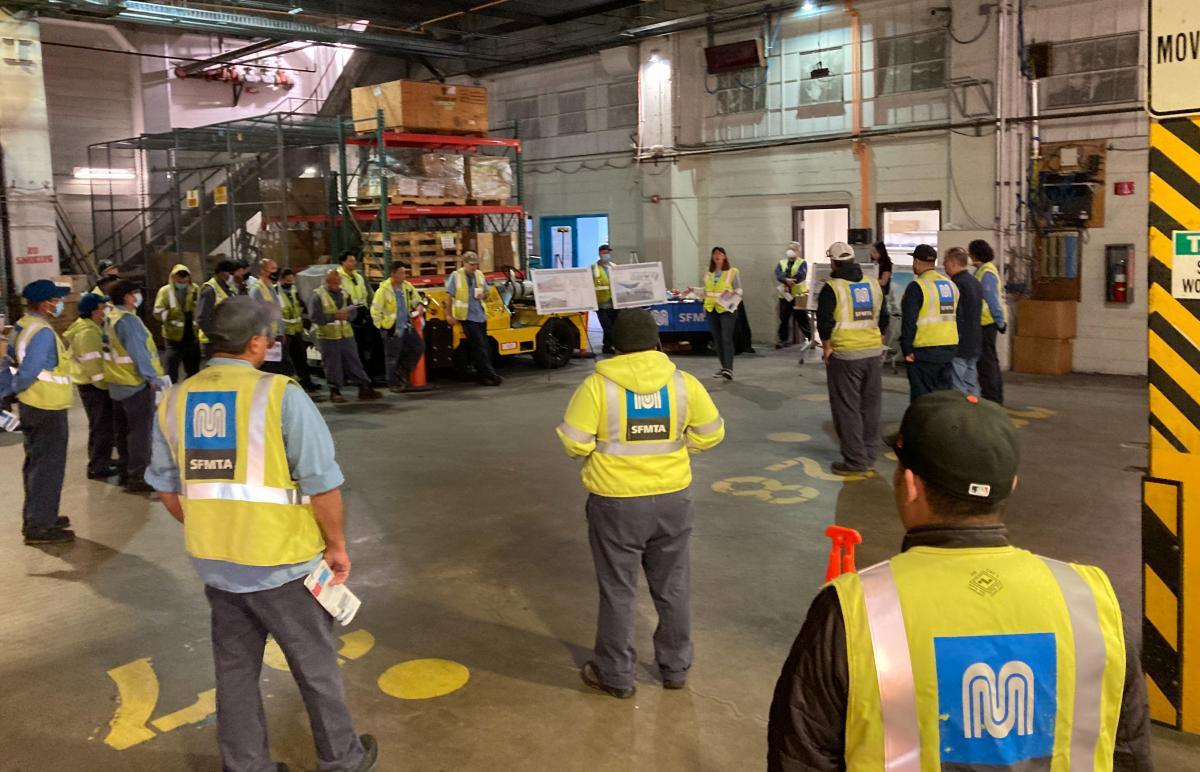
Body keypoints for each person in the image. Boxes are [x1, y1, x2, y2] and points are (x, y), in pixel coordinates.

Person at [767, 391, 1152, 771]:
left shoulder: (852, 610)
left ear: (911, 484)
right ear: (1011, 485)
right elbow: (1129, 753)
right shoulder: (1093, 601)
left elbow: (800, 756)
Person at [146, 296, 379, 772]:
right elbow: (323, 485)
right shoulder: (279, 395)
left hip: (216, 566)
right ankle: (341, 759)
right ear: (255, 342)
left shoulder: (174, 400)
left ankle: (246, 766)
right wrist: (335, 546)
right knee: (315, 668)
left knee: (234, 673)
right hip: (283, 564)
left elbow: (167, 490)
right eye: (269, 336)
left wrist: (215, 525)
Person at [556, 309, 725, 698]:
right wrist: (681, 451)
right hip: (672, 500)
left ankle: (616, 675)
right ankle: (675, 668)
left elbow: (573, 442)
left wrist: (599, 452)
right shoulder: (684, 384)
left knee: (618, 589)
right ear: (656, 343)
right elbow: (711, 433)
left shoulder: (597, 386)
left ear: (616, 346)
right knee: (674, 587)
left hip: (616, 503)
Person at [4, 280, 75, 544]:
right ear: (44, 304)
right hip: (47, 407)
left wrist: (11, 391)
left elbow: (10, 361)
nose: (59, 304)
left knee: (36, 464)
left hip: (33, 406)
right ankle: (40, 526)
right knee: (48, 467)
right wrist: (16, 387)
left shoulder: (23, 325)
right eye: (56, 300)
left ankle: (39, 515)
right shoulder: (43, 332)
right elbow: (29, 370)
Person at [817, 241, 884, 475]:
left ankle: (855, 460)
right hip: (873, 353)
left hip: (845, 356)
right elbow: (883, 319)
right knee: (870, 407)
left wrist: (826, 348)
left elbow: (824, 323)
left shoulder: (832, 288)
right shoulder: (872, 284)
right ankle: (869, 454)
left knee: (847, 408)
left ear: (833, 262)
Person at [104, 279, 167, 494]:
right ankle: (139, 475)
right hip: (134, 384)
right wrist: (151, 378)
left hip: (117, 383)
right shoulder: (129, 321)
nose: (137, 297)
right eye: (135, 293)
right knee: (140, 432)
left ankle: (125, 470)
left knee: (123, 431)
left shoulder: (111, 317)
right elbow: (139, 353)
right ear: (127, 297)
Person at [64, 292, 121, 480]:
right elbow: (93, 365)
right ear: (94, 311)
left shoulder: (92, 327)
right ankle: (98, 466)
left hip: (93, 384)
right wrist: (105, 385)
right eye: (102, 307)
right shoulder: (87, 333)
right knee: (102, 427)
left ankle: (100, 459)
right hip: (94, 386)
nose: (105, 310)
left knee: (100, 426)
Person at [310, 269, 381, 404]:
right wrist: (333, 317)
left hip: (346, 335)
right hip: (328, 337)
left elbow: (353, 310)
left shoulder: (344, 294)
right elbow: (315, 316)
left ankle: (364, 387)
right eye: (334, 281)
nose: (338, 283)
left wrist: (349, 316)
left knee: (354, 361)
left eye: (339, 281)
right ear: (327, 281)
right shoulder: (318, 296)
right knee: (332, 365)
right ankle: (335, 390)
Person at [900, 244, 958, 400]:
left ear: (917, 262)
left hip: (924, 351)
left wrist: (907, 350)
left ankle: (924, 425)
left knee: (923, 399)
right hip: (949, 348)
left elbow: (909, 321)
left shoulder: (917, 287)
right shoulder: (950, 285)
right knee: (943, 397)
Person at [445, 252, 501, 387]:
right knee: (480, 346)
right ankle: (490, 375)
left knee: (484, 347)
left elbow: (487, 292)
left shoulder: (479, 275)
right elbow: (448, 296)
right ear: (464, 263)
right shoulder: (456, 276)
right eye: (471, 265)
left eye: (476, 264)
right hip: (466, 316)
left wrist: (484, 295)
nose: (474, 267)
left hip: (480, 316)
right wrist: (448, 315)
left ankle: (484, 375)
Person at [371, 261, 425, 393]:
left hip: (406, 326)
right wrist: (383, 327)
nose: (404, 275)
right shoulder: (383, 291)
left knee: (419, 346)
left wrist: (419, 306)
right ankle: (393, 383)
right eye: (401, 273)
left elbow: (417, 299)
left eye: (404, 272)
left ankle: (403, 370)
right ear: (393, 274)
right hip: (392, 328)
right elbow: (375, 311)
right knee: (392, 357)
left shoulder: (407, 287)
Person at [971, 239, 1007, 404]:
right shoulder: (982, 271)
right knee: (988, 361)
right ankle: (993, 396)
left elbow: (993, 301)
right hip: (985, 323)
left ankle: (992, 398)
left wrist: (1000, 322)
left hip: (986, 324)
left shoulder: (987, 273)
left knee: (987, 363)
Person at [338, 251, 382, 383]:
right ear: (343, 262)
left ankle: (367, 373)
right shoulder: (338, 277)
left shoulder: (358, 277)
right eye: (350, 261)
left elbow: (364, 294)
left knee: (366, 344)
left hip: (360, 312)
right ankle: (350, 375)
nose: (353, 263)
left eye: (354, 260)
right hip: (348, 315)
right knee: (352, 348)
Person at [944, 246, 983, 397]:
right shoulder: (974, 282)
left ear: (953, 263)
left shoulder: (956, 285)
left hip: (960, 343)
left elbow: (957, 315)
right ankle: (975, 413)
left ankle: (960, 416)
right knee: (971, 382)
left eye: (945, 261)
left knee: (958, 384)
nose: (944, 264)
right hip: (974, 340)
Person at [153, 264, 200, 382]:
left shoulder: (194, 289)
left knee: (193, 368)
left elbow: (199, 306)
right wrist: (171, 314)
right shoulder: (165, 291)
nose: (182, 282)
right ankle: (170, 391)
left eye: (185, 278)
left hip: (191, 334)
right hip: (173, 336)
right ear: (173, 277)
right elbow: (157, 312)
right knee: (171, 368)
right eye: (179, 278)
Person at [703, 246, 742, 380]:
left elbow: (739, 290)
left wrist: (733, 294)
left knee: (726, 338)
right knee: (717, 339)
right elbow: (707, 291)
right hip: (711, 309)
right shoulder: (709, 272)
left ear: (724, 256)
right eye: (714, 254)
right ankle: (724, 366)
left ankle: (729, 368)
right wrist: (694, 290)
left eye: (720, 253)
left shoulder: (732, 271)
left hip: (726, 309)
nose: (717, 255)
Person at [279, 268, 320, 393]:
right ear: (282, 280)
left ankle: (306, 381)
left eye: (292, 281)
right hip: (285, 331)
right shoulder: (276, 292)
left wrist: (305, 325)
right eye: (288, 280)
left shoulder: (293, 290)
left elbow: (300, 306)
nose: (291, 283)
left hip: (296, 330)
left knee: (301, 357)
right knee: (285, 359)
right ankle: (289, 384)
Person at [250, 258, 289, 376]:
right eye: (272, 269)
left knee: (278, 370)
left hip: (277, 336)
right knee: (268, 371)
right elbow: (258, 316)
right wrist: (268, 335)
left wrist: (281, 332)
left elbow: (276, 312)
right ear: (263, 271)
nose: (276, 272)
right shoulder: (257, 290)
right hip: (267, 338)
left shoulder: (273, 287)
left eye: (276, 268)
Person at [196, 258, 237, 358]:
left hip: (226, 338)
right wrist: (214, 336)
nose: (231, 277)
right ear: (222, 273)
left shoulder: (227, 288)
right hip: (213, 341)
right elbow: (202, 317)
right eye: (230, 274)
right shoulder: (209, 290)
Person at [775, 246, 810, 347]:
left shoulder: (802, 262)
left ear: (798, 251)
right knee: (784, 319)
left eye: (793, 249)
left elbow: (800, 276)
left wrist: (790, 281)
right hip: (785, 296)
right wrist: (786, 280)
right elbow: (778, 274)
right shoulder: (782, 262)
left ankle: (811, 338)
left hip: (798, 296)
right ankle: (783, 339)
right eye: (789, 248)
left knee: (802, 319)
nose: (791, 251)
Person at [592, 244, 619, 354]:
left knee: (614, 327)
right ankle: (610, 346)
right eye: (604, 253)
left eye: (608, 253)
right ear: (600, 253)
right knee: (607, 327)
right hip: (601, 304)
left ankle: (608, 347)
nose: (606, 255)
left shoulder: (614, 266)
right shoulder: (594, 268)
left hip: (614, 303)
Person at [869, 241, 894, 334]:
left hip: (883, 292)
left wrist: (871, 280)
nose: (872, 255)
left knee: (882, 316)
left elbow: (884, 282)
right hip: (874, 291)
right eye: (872, 252)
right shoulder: (873, 264)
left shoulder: (886, 264)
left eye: (875, 252)